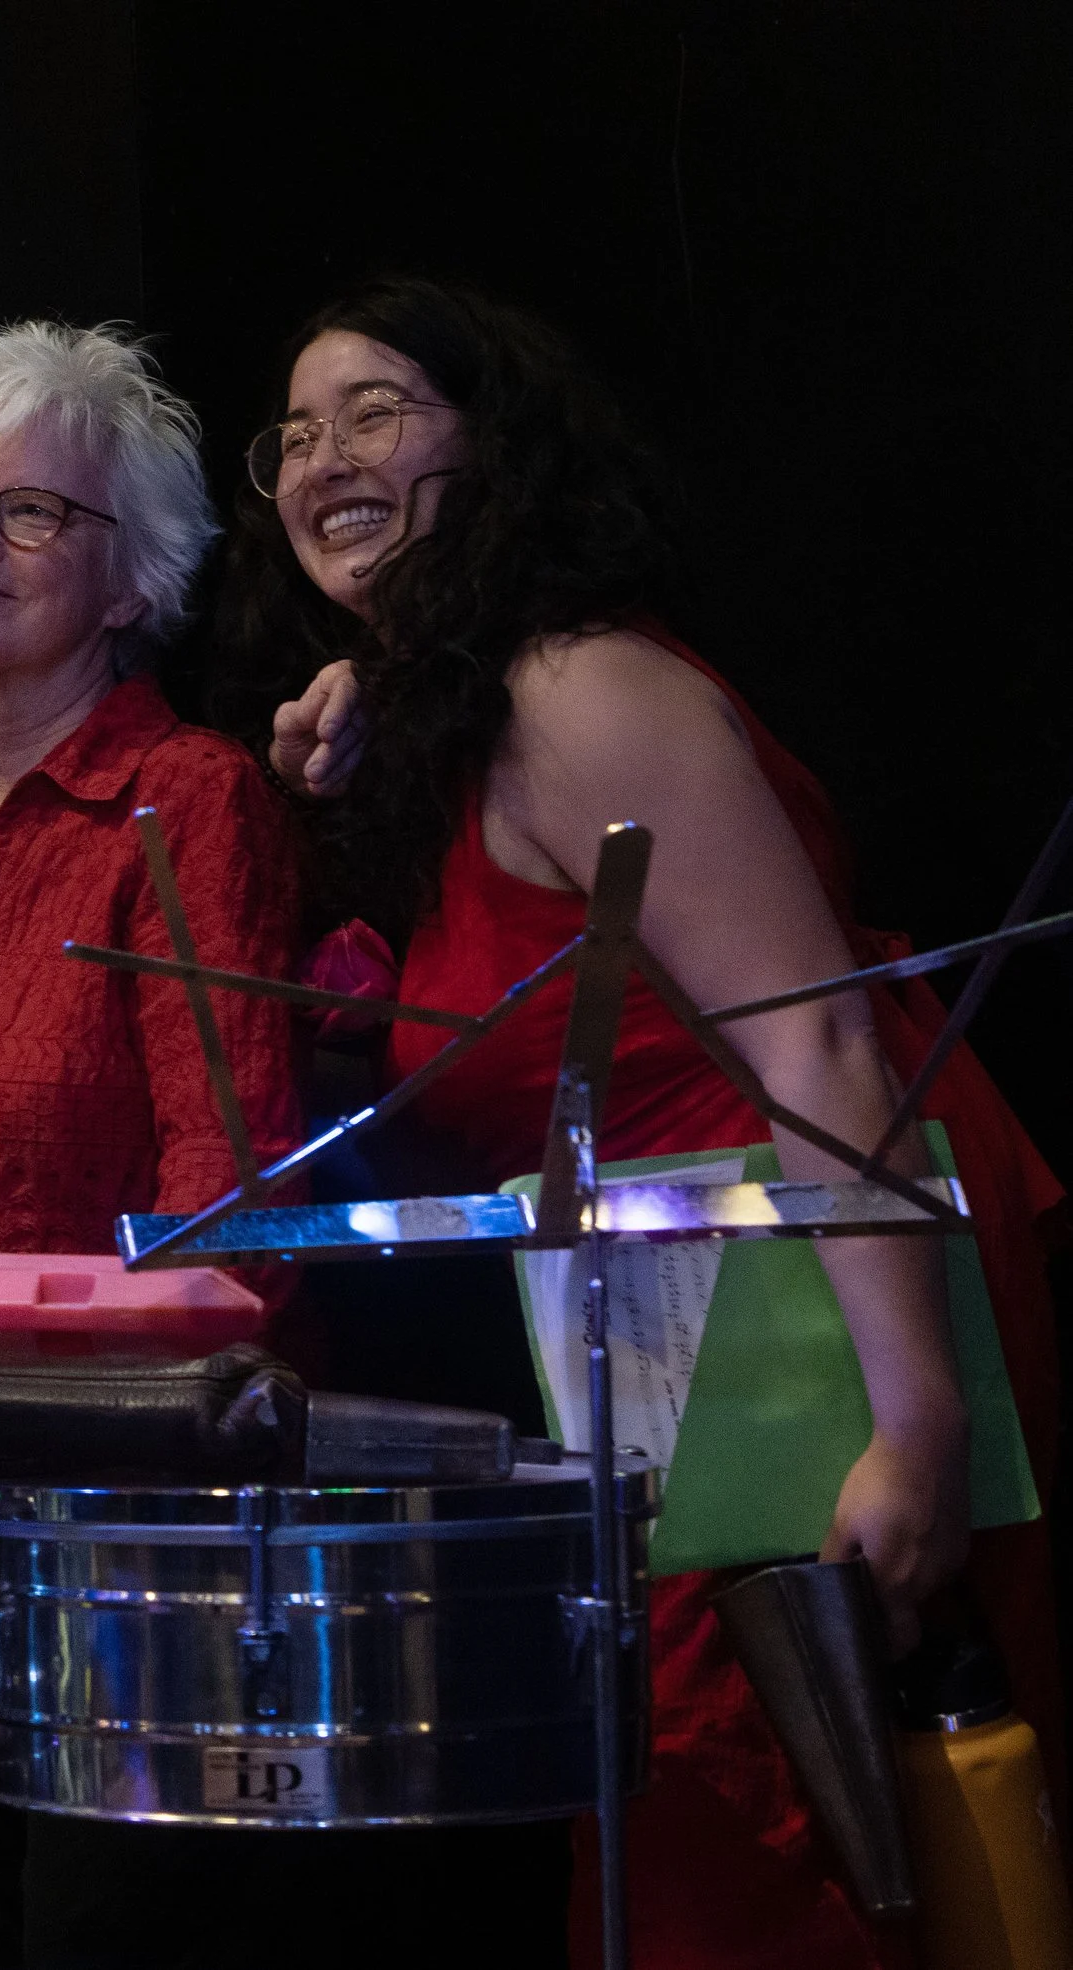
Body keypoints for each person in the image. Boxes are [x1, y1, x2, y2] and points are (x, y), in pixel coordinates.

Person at [221, 276, 1062, 1968]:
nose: (323, 458)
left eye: (377, 410)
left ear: (498, 444)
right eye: (296, 433)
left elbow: (821, 1047)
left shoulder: (580, 686)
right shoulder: (456, 722)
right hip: (691, 1370)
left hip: (821, 1333)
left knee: (780, 1868)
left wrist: (914, 1426)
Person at [0, 320, 300, 1310]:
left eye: (29, 510)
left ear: (128, 585)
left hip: (109, 1431)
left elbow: (230, 1189)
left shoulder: (186, 799)